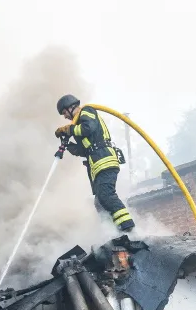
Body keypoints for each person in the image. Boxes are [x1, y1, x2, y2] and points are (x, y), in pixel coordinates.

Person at [54, 94, 135, 232]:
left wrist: (69, 129)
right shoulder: (78, 124)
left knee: (106, 195)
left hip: (105, 160)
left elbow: (88, 128)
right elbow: (82, 150)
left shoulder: (87, 111)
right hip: (96, 165)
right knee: (99, 202)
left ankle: (129, 229)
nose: (65, 117)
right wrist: (67, 145)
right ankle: (112, 233)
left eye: (64, 113)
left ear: (70, 107)